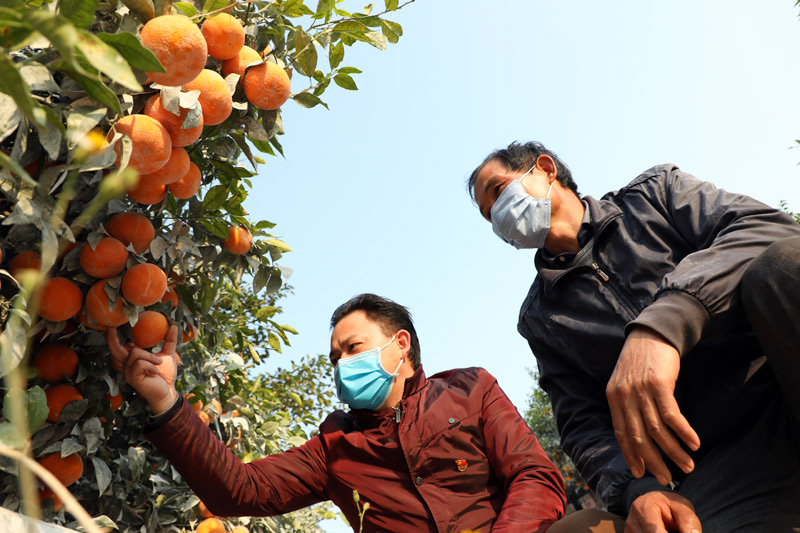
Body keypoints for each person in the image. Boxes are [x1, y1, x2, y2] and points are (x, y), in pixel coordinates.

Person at [468, 141, 800, 533]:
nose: (499, 219)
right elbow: (582, 424)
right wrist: (638, 490)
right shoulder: (541, 319)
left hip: (782, 379)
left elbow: (765, 228)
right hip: (714, 463)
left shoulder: (654, 195)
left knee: (780, 265)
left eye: (499, 191)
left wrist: (664, 323)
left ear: (544, 169)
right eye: (490, 217)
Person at [108, 293, 589, 532]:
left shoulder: (470, 388)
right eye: (334, 358)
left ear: (399, 345)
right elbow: (241, 490)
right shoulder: (334, 448)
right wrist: (164, 400)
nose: (341, 364)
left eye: (352, 348)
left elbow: (533, 474)